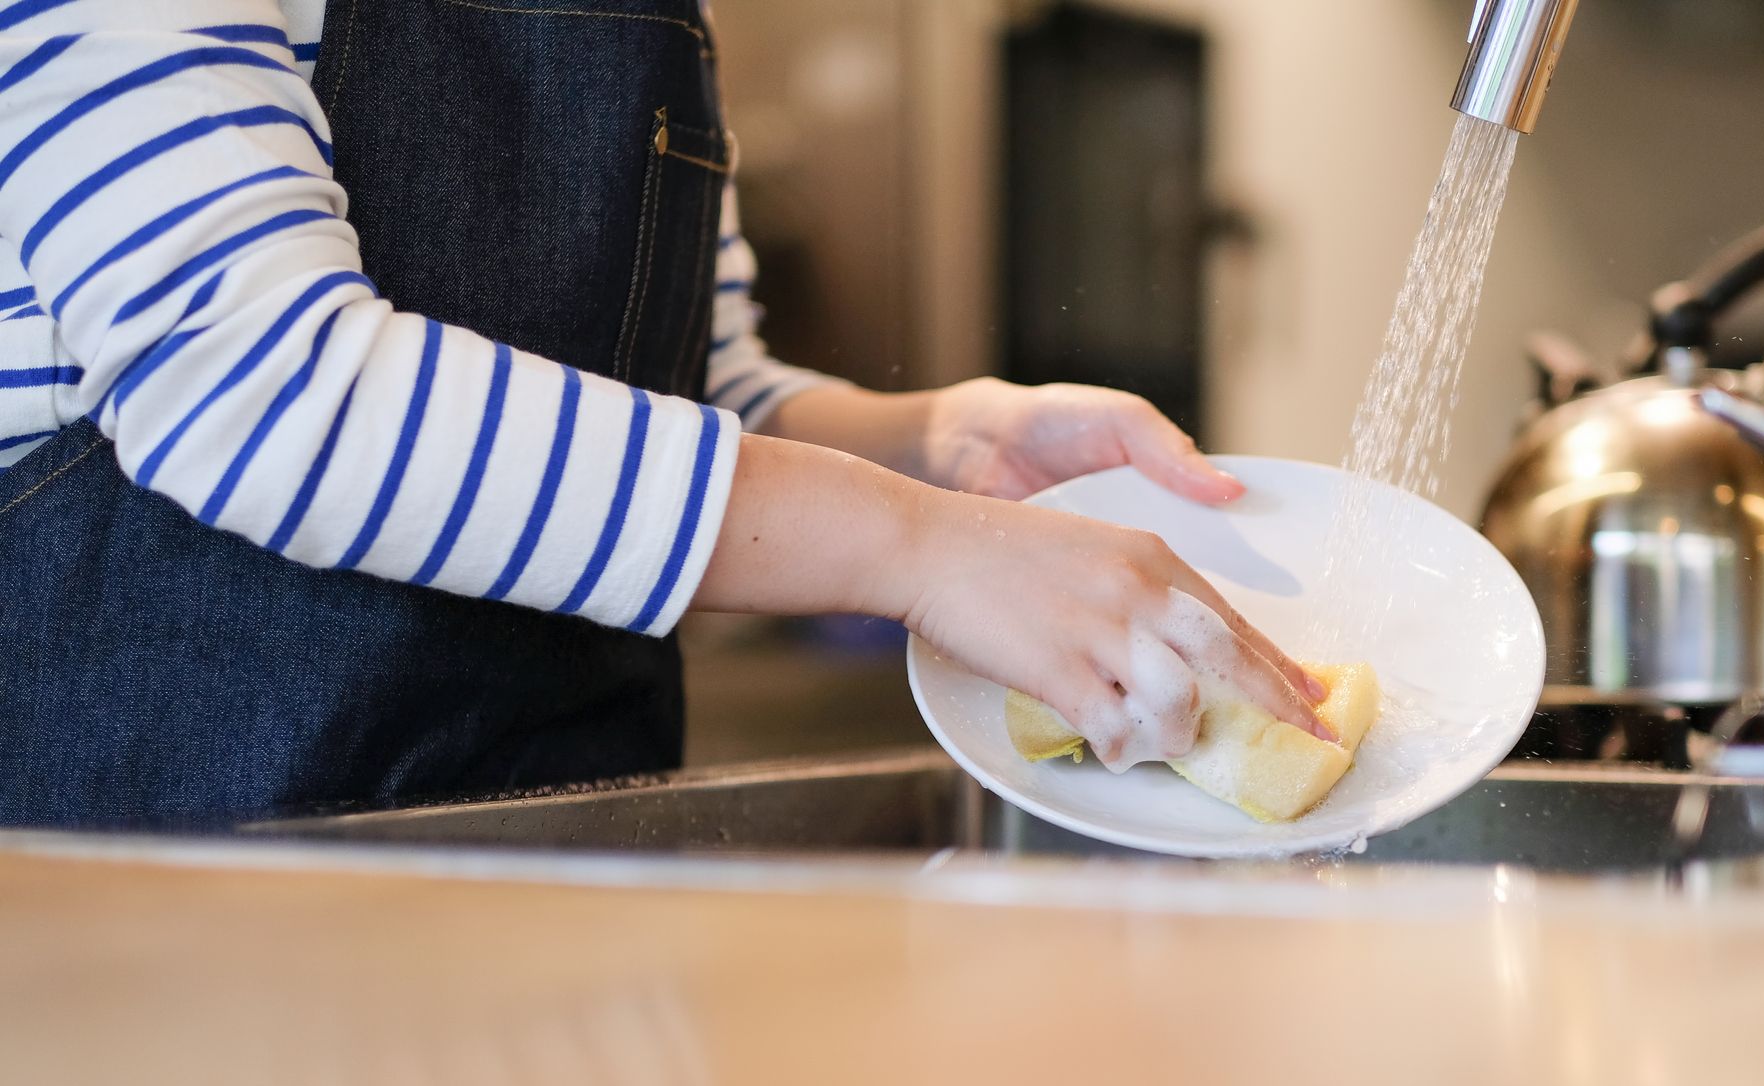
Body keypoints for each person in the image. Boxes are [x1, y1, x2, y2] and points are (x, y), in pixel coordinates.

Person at [0, 0, 1328, 830]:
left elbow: (683, 390)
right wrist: (919, 546)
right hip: (175, 896)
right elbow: (259, 389)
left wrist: (933, 447)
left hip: (565, 858)